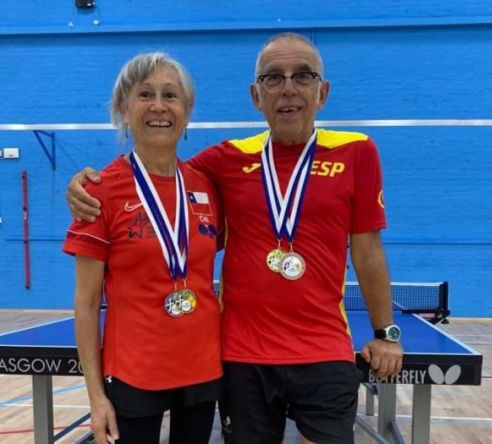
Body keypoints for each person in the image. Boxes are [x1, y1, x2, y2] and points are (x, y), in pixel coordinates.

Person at [68, 33, 403, 444]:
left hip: (321, 351)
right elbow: (155, 177)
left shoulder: (358, 152)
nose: (288, 89)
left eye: (303, 76)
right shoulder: (227, 160)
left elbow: (367, 249)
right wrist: (84, 185)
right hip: (240, 358)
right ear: (255, 95)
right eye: (273, 78)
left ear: (323, 92)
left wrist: (386, 332)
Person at [62, 52, 223, 444]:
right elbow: (85, 305)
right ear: (123, 108)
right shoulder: (99, 190)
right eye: (145, 94)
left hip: (202, 367)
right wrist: (96, 396)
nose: (158, 106)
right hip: (134, 373)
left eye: (170, 95)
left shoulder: (205, 185)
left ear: (187, 110)